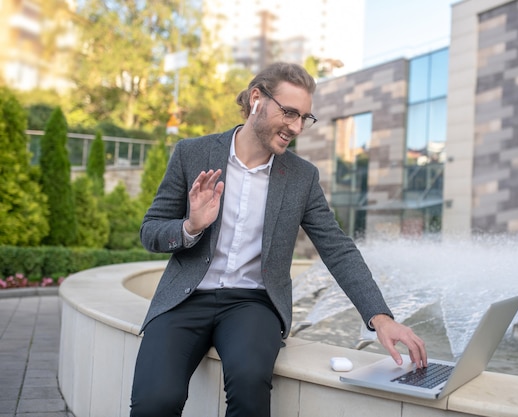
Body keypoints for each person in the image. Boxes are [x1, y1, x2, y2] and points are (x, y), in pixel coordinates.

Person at [130, 62, 427, 417]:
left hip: (252, 303)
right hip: (184, 299)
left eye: (304, 117)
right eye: (289, 113)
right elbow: (151, 230)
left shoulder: (301, 177)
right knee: (154, 401)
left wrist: (380, 317)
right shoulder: (192, 153)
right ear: (256, 99)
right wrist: (191, 227)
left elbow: (337, 248)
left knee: (250, 382)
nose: (296, 127)